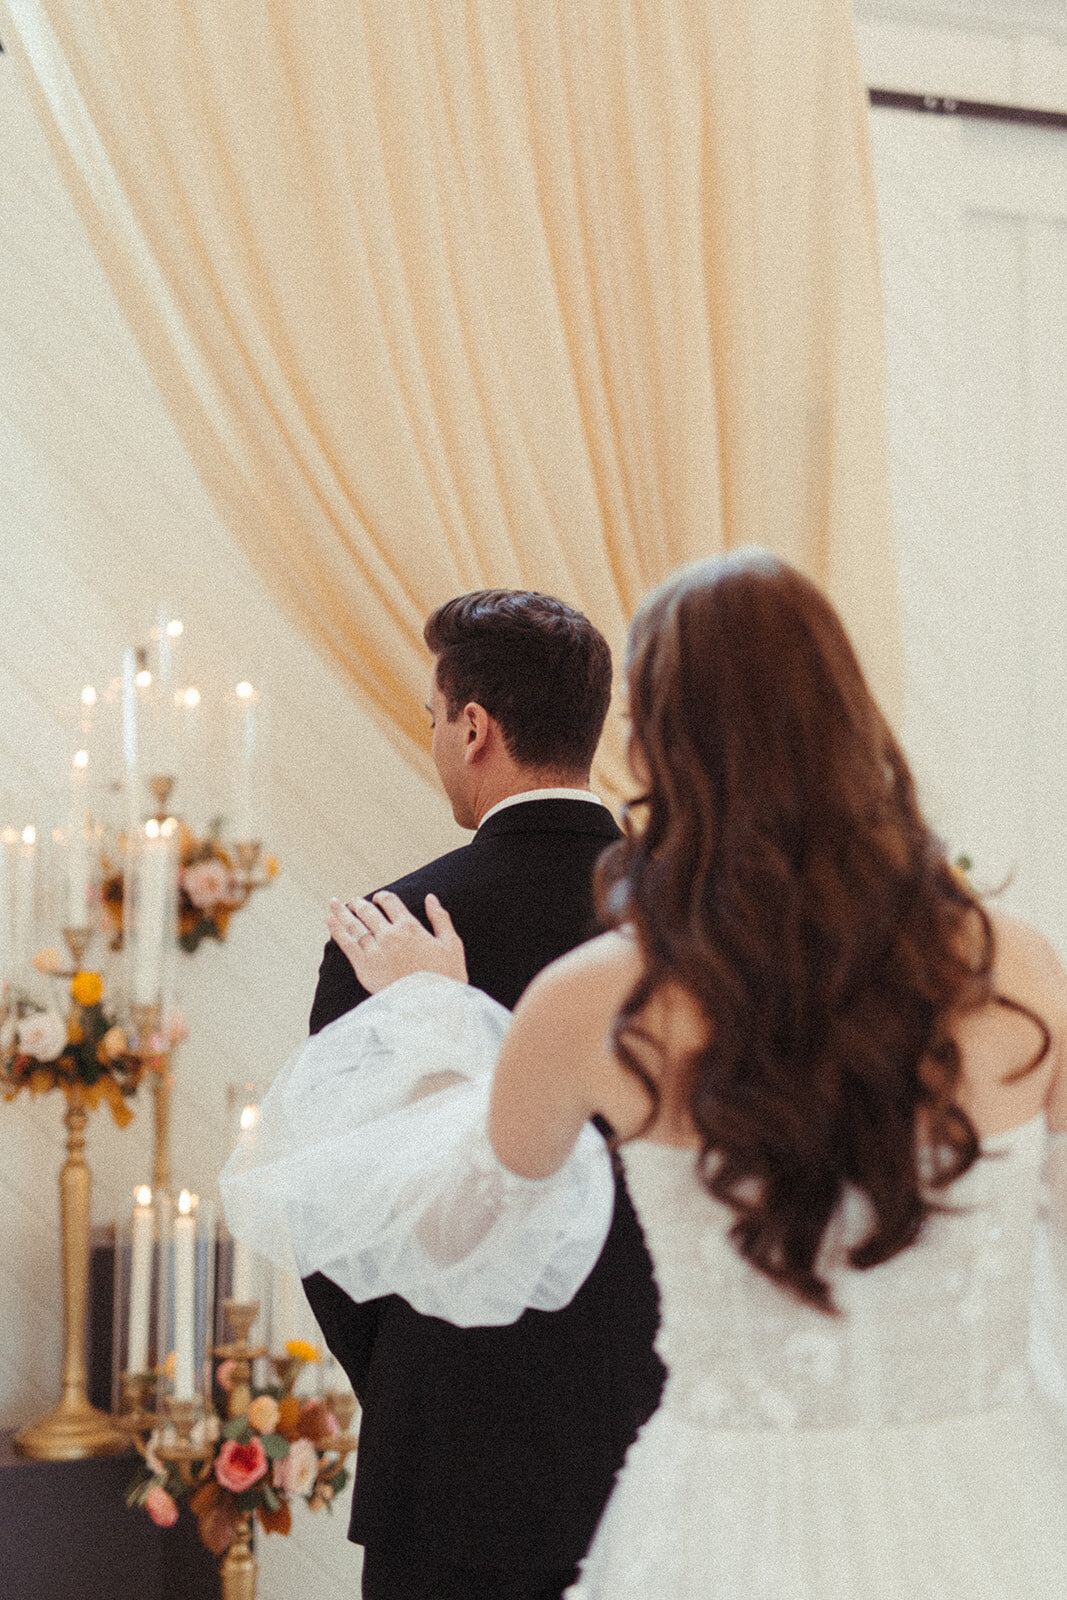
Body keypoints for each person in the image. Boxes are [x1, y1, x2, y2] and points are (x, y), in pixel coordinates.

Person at [225, 549, 1067, 1598]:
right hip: (976, 1502)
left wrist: (435, 1013)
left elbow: (455, 1234)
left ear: (654, 740)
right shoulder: (1020, 963)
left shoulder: (608, 995)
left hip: (721, 1499)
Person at [299, 589, 665, 1600]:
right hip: (663, 1445)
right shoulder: (699, 923)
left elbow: (335, 1225)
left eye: (431, 719)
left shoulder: (388, 933)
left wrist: (420, 1376)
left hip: (454, 1467)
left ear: (474, 728)